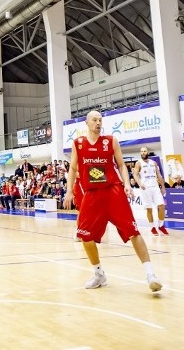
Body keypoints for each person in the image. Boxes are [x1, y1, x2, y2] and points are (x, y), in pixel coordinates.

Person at [62, 110, 162, 293]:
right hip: (92, 195)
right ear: (87, 123)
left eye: (100, 120)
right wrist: (69, 191)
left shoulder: (111, 141)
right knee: (85, 236)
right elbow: (73, 168)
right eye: (94, 120)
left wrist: (127, 184)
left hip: (113, 191)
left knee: (133, 231)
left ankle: (151, 275)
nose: (98, 123)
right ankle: (99, 273)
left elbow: (122, 165)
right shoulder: (78, 143)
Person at [132, 147, 168, 236]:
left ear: (148, 152)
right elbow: (135, 175)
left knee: (162, 206)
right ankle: (152, 227)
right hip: (145, 188)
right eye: (141, 151)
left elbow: (159, 175)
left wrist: (163, 186)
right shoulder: (138, 163)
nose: (143, 152)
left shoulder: (154, 163)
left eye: (144, 151)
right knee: (149, 209)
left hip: (155, 187)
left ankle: (161, 225)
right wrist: (140, 184)